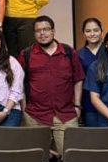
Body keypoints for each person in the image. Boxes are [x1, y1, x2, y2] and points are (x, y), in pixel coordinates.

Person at [21, 15, 85, 153]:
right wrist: (24, 109)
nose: (42, 33)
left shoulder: (68, 52)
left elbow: (78, 79)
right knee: (37, 161)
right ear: (34, 34)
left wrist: (78, 106)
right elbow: (19, 84)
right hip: (35, 116)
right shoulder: (26, 54)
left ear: (53, 31)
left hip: (66, 115)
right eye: (38, 31)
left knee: (71, 158)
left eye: (46, 29)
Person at [77, 18, 105, 127]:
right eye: (88, 31)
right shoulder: (79, 55)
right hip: (89, 104)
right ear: (83, 33)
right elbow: (78, 81)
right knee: (94, 139)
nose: (92, 34)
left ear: (102, 31)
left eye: (96, 30)